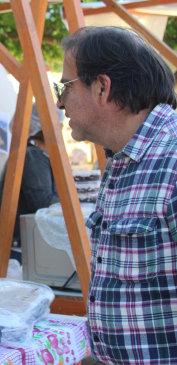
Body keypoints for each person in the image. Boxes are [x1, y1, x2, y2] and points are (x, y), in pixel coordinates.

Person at [56, 26, 177, 365]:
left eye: (65, 86)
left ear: (102, 87)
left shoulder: (172, 159)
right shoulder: (123, 160)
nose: (60, 101)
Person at [0, 103, 61, 263]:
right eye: (59, 126)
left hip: (29, 245)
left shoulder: (34, 154)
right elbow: (44, 205)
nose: (61, 132)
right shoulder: (33, 155)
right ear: (44, 128)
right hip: (24, 249)